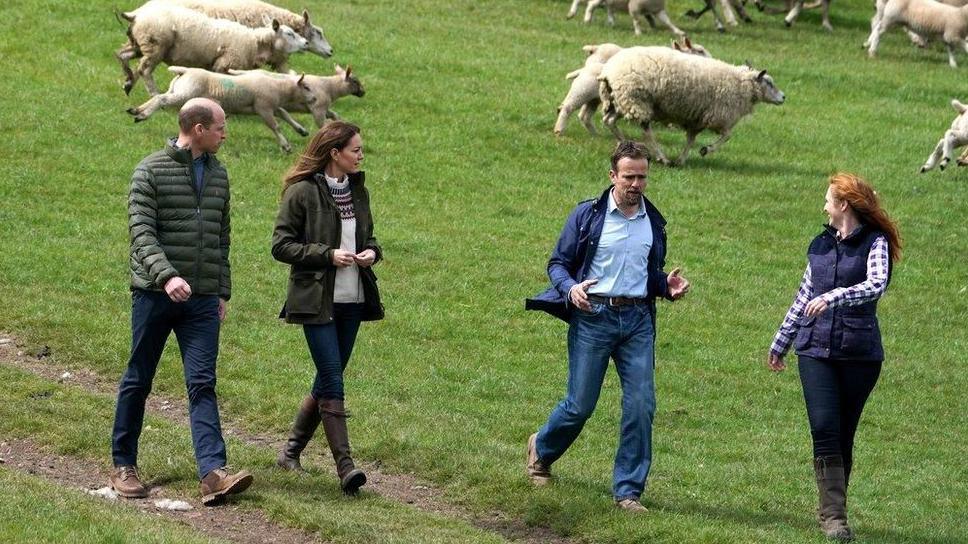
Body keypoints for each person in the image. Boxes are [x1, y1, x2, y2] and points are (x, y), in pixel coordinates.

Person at [525, 141, 690, 512]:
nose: (636, 184)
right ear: (612, 176)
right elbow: (558, 264)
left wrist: (665, 285)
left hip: (637, 321)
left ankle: (628, 492)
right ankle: (542, 448)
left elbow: (646, 274)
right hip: (593, 318)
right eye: (629, 176)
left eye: (642, 177)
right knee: (580, 405)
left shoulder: (654, 222)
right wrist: (571, 289)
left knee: (641, 405)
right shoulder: (587, 215)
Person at [110, 98, 253, 506]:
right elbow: (141, 233)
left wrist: (221, 290)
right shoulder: (149, 171)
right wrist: (167, 275)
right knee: (139, 377)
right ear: (197, 128)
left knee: (202, 383)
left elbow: (222, 237)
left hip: (203, 300)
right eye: (221, 127)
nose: (226, 134)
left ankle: (212, 473)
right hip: (154, 295)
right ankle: (124, 464)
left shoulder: (220, 175)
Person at [768, 173, 902, 541]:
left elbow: (875, 285)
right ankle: (834, 518)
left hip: (859, 354)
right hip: (815, 351)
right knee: (825, 427)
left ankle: (834, 508)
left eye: (828, 199)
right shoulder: (820, 244)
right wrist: (782, 342)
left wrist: (834, 296)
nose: (823, 205)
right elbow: (803, 295)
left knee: (844, 434)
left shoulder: (875, 244)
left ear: (843, 205)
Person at [271, 121, 383, 495]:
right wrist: (327, 255)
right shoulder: (301, 192)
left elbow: (368, 237)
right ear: (335, 153)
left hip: (353, 300)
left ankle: (290, 452)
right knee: (333, 379)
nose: (361, 155)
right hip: (316, 301)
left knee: (326, 379)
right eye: (355, 150)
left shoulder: (358, 190)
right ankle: (345, 467)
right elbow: (281, 246)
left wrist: (372, 253)